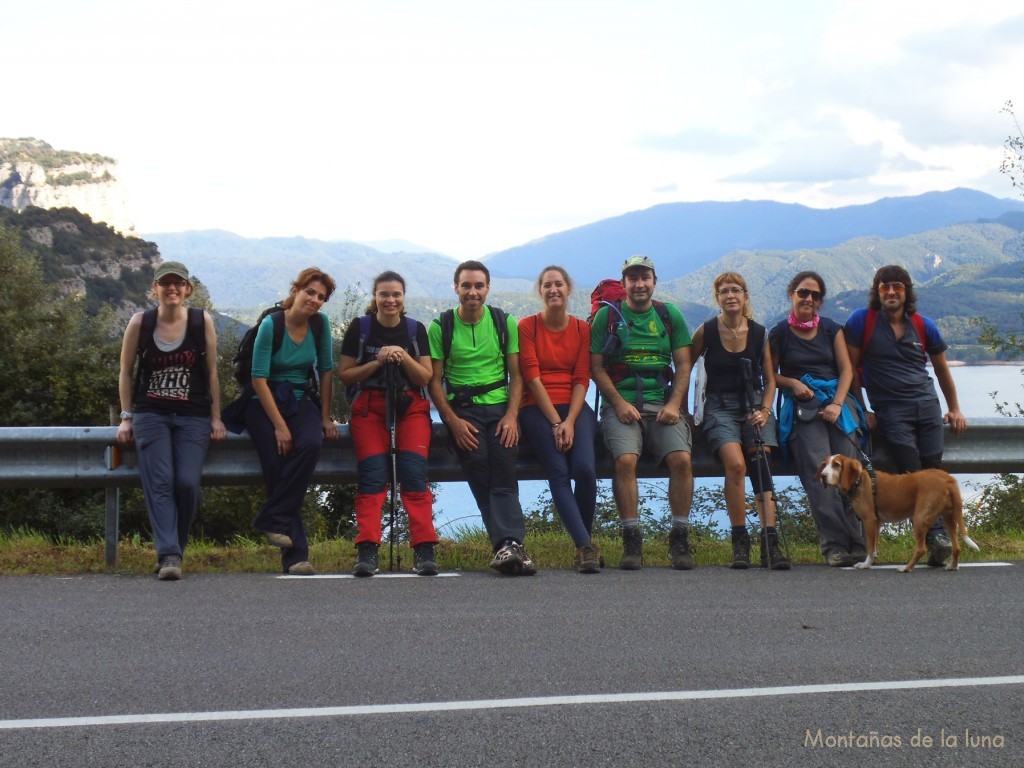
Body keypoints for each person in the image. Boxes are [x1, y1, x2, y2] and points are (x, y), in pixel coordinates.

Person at [844, 264, 967, 567]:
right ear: (877, 291)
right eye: (884, 287)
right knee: (912, 468)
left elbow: (941, 370)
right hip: (890, 410)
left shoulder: (925, 325)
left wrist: (954, 407)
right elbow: (850, 369)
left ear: (906, 291)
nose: (890, 292)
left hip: (927, 405)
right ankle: (935, 538)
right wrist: (863, 408)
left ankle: (935, 537)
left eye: (897, 286)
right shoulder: (862, 321)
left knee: (933, 467)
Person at [117, 261, 227, 580]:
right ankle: (168, 555)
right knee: (160, 483)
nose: (172, 289)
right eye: (165, 283)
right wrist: (126, 418)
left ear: (187, 289)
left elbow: (211, 372)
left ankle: (174, 548)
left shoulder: (199, 320)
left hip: (193, 415)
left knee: (187, 483)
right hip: (150, 414)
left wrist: (216, 417)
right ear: (155, 289)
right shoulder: (140, 323)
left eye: (178, 283)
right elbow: (125, 372)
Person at [427, 260, 534, 576]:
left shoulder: (504, 322)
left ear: (488, 288)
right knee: (479, 468)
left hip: (500, 409)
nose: (472, 292)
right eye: (466, 286)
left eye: (478, 286)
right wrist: (453, 422)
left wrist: (513, 416)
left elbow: (517, 376)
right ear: (455, 288)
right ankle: (511, 546)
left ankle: (507, 545)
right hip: (464, 412)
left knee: (503, 469)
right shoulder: (440, 327)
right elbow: (434, 382)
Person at [590, 255, 695, 571]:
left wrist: (675, 403)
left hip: (662, 403)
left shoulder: (667, 314)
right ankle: (632, 538)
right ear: (623, 285)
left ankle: (679, 537)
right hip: (621, 404)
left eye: (644, 277)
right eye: (632, 278)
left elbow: (684, 364)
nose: (639, 284)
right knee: (625, 461)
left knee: (682, 460)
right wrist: (619, 404)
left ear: (654, 281)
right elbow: (596, 368)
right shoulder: (607, 318)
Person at [338, 271, 438, 577]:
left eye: (396, 294)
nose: (390, 300)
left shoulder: (415, 329)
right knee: (372, 478)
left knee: (413, 476)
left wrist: (401, 356)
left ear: (404, 297)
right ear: (375, 297)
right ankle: (367, 550)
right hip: (370, 408)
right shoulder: (361, 328)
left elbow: (425, 377)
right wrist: (378, 361)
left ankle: (424, 549)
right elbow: (346, 374)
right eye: (384, 294)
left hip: (410, 408)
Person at [691, 272, 790, 570]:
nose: (730, 295)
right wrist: (685, 409)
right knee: (735, 465)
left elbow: (771, 380)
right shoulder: (705, 332)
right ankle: (739, 541)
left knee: (760, 461)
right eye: (724, 291)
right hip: (719, 407)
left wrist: (765, 410)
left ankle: (769, 541)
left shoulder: (760, 334)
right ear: (717, 298)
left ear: (745, 296)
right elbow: (686, 368)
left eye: (735, 290)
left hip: (754, 405)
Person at [244, 267, 338, 575]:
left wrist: (324, 417)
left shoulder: (320, 325)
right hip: (264, 401)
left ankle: (270, 519)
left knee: (311, 444)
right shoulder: (272, 324)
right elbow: (257, 379)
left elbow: (326, 371)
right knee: (277, 463)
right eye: (310, 292)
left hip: (300, 398)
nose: (314, 300)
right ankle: (297, 556)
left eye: (321, 297)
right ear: (295, 290)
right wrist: (280, 426)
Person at [769, 271, 866, 567]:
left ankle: (859, 543)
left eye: (814, 295)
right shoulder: (779, 333)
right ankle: (834, 545)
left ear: (820, 300)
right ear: (791, 295)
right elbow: (770, 374)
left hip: (837, 405)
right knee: (822, 476)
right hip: (804, 409)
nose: (808, 299)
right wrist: (793, 384)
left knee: (850, 473)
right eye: (802, 293)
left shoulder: (831, 329)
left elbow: (846, 370)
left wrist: (838, 403)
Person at [518, 266, 600, 573]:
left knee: (585, 469)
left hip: (575, 407)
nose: (553, 289)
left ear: (569, 289)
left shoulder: (581, 329)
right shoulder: (527, 326)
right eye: (547, 285)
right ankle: (585, 546)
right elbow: (532, 378)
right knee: (559, 472)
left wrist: (570, 421)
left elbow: (582, 378)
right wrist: (556, 423)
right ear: (540, 291)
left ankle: (585, 544)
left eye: (559, 284)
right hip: (537, 409)